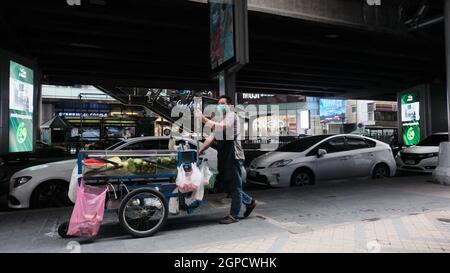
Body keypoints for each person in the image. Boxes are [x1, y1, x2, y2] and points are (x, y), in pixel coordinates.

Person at [196, 95, 257, 224]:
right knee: (223, 184)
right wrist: (198, 151)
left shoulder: (231, 116)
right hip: (224, 157)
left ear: (229, 105)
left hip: (234, 156)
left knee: (235, 186)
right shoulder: (220, 120)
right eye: (218, 104)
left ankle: (233, 215)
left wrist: (203, 119)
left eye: (222, 103)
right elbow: (210, 138)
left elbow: (221, 127)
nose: (220, 106)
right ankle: (249, 202)